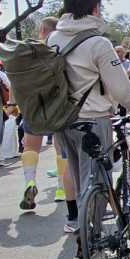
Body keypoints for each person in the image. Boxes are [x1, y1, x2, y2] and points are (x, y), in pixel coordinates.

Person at [48, 0, 130, 259]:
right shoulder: (97, 43)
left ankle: (83, 234)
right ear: (96, 9)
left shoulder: (54, 38)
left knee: (79, 181)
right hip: (93, 119)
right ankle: (89, 246)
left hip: (63, 120)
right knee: (96, 184)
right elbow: (122, 91)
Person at [14, 15, 78, 227]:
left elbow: (17, 81)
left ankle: (30, 181)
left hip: (33, 107)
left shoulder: (28, 52)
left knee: (30, 147)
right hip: (57, 108)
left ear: (42, 30)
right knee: (62, 151)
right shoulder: (59, 50)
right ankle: (61, 188)